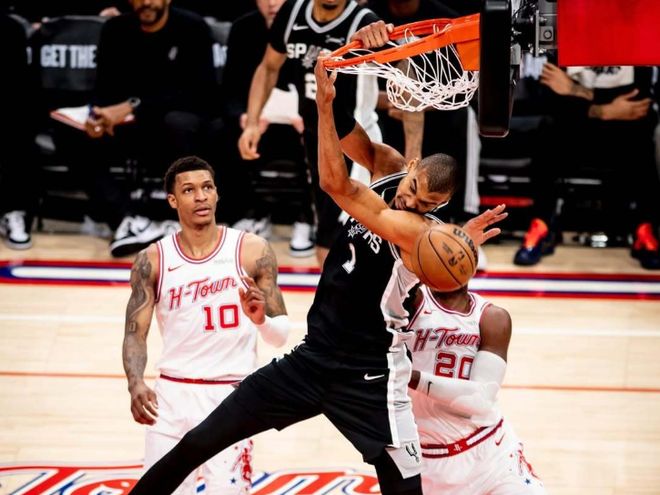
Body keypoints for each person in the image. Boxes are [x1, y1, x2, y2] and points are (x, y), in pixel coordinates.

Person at [128, 41, 506, 493]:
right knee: (199, 441)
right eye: (412, 188)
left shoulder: (416, 233)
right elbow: (347, 133)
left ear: (439, 206)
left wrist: (323, 106)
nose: (410, 201)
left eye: (427, 203)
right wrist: (327, 85)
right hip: (313, 358)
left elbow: (334, 182)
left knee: (405, 490)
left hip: (372, 375)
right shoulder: (388, 166)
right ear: (410, 167)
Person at [122, 155, 290, 494]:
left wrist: (260, 320)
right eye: (189, 190)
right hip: (171, 396)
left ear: (216, 193)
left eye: (207, 187)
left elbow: (281, 336)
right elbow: (135, 332)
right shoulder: (152, 260)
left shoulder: (251, 250)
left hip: (231, 398)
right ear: (173, 200)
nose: (201, 197)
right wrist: (135, 382)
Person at [238, 0, 383, 266]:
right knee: (326, 237)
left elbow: (405, 73)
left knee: (347, 240)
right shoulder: (292, 12)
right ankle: (330, 292)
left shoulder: (365, 22)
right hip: (315, 139)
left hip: (355, 143)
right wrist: (252, 123)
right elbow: (269, 67)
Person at [76, 0, 222, 257]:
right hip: (127, 126)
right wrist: (97, 115)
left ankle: (180, 221)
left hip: (172, 125)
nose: (146, 3)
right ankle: (128, 219)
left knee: (180, 123)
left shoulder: (192, 28)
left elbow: (201, 94)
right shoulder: (115, 29)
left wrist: (134, 106)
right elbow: (104, 85)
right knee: (71, 134)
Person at [513, 63, 660, 269]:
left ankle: (644, 228)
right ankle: (542, 224)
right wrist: (603, 109)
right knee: (548, 130)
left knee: (641, 134)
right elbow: (549, 100)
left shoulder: (637, 47)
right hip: (574, 131)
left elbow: (639, 102)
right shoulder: (561, 47)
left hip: (624, 134)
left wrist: (574, 90)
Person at [407, 284, 545, 494]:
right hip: (426, 461)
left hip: (491, 455)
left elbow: (480, 400)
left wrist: (411, 377)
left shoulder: (492, 317)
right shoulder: (409, 303)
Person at [220, 0, 315, 256]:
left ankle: (307, 218)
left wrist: (309, 114)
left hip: (302, 113)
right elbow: (231, 85)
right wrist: (244, 116)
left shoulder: (310, 25)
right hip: (258, 115)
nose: (272, 2)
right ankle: (251, 213)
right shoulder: (243, 27)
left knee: (315, 136)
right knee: (223, 130)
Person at [0, 13, 37, 250]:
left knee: (17, 127)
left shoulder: (9, 28)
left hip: (9, 108)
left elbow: (18, 83)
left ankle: (13, 212)